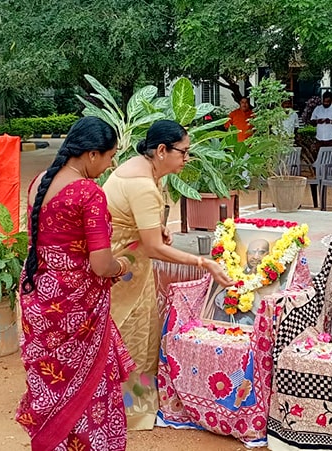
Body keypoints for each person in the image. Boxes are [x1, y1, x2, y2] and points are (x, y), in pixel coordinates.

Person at [105, 119, 234, 430]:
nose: (186, 159)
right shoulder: (144, 185)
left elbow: (132, 221)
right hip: (124, 271)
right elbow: (153, 248)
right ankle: (131, 411)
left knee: (121, 334)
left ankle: (113, 404)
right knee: (136, 337)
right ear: (161, 150)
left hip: (121, 261)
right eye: (183, 152)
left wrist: (155, 228)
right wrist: (205, 264)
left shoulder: (139, 166)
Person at [16, 117, 136, 450]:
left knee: (52, 383)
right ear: (92, 154)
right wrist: (122, 264)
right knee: (91, 385)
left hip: (40, 299)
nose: (110, 165)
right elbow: (101, 265)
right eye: (110, 157)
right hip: (76, 309)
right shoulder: (88, 193)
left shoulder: (39, 181)